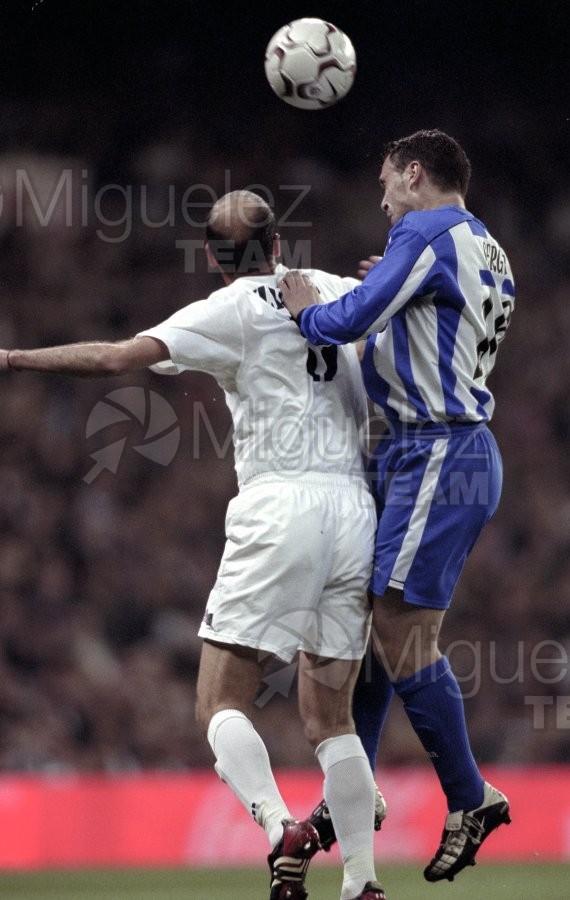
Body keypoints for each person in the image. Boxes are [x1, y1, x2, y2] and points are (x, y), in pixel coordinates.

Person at [0, 190, 386, 900]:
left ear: (211, 257)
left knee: (218, 701)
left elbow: (118, 358)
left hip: (280, 506)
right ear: (278, 243)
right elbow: (405, 321)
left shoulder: (228, 307)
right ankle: (361, 882)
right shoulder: (334, 288)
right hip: (354, 507)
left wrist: (17, 358)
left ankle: (279, 828)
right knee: (331, 719)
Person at [280, 130, 514, 884]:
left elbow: (345, 326)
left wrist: (305, 310)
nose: (382, 203)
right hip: (434, 452)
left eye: (386, 184)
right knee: (376, 626)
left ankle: (468, 795)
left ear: (415, 174)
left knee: (396, 627)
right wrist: (393, 290)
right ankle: (359, 785)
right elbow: (428, 336)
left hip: (437, 450)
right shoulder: (488, 248)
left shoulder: (424, 228)